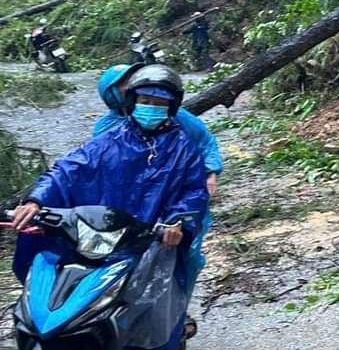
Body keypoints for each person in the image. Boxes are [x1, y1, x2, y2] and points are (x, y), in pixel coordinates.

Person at [10, 65, 209, 350]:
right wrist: (35, 200)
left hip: (149, 240)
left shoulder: (183, 149)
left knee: (157, 304)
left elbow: (193, 192)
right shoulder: (108, 140)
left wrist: (178, 221)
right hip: (102, 236)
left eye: (159, 103)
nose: (151, 108)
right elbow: (67, 170)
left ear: (172, 106)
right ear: (131, 102)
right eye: (146, 101)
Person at [96, 63, 221, 320]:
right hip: (129, 207)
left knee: (183, 258)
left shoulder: (176, 126)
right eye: (126, 83)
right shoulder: (107, 131)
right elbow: (85, 169)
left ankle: (176, 314)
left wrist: (209, 173)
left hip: (174, 202)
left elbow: (205, 141)